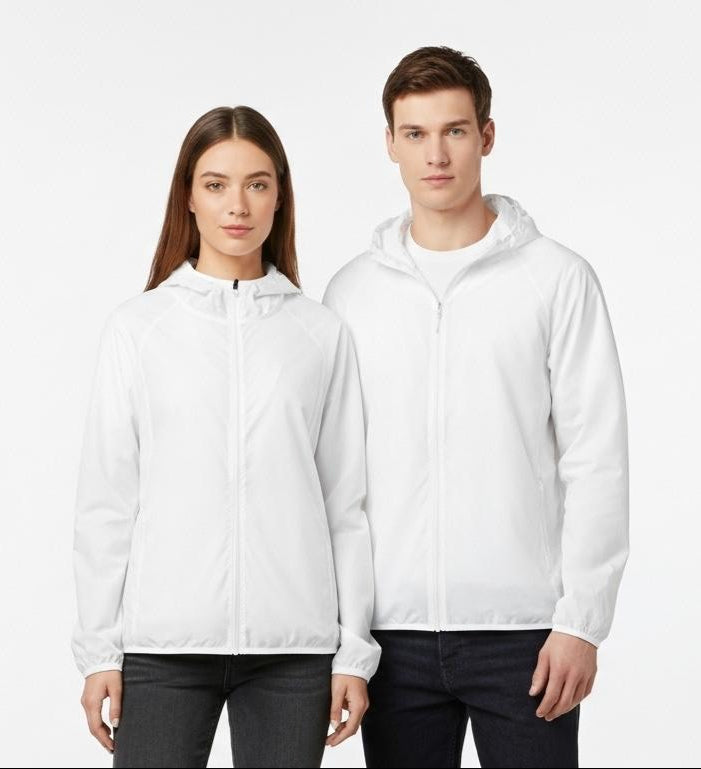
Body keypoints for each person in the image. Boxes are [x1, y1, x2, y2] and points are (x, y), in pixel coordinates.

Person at [322, 46, 629, 768]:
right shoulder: (351, 293)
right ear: (390, 143)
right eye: (416, 134)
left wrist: (581, 622)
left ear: (486, 136)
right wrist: (345, 636)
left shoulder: (557, 279)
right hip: (390, 639)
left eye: (454, 131)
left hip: (525, 635)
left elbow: (596, 457)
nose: (436, 155)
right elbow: (336, 479)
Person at [71, 105, 380, 768]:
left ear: (279, 196)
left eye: (256, 184)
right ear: (188, 195)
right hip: (163, 649)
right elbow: (107, 503)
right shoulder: (138, 329)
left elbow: (345, 505)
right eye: (216, 184)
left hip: (293, 652)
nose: (237, 205)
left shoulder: (319, 333)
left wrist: (353, 652)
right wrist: (100, 651)